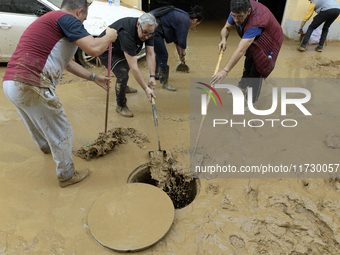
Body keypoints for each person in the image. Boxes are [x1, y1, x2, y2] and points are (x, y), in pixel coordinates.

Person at [2, 0, 118, 188]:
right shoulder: (67, 19)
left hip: (11, 83)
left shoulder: (49, 20)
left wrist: (93, 77)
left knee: (35, 120)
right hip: (33, 82)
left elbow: (68, 62)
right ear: (80, 11)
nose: (81, 24)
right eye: (84, 19)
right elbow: (95, 49)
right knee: (62, 129)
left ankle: (46, 147)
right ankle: (66, 174)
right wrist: (108, 36)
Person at [211, 0, 283, 109]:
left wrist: (224, 71)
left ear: (248, 11)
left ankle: (251, 102)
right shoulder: (236, 11)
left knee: (257, 69)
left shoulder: (256, 22)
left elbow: (240, 50)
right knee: (248, 60)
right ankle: (243, 86)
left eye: (239, 16)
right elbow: (226, 28)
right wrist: (224, 39)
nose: (235, 20)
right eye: (233, 16)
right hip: (253, 39)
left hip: (269, 40)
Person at [98, 13, 157, 118]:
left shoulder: (149, 29)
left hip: (120, 47)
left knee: (126, 66)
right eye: (145, 33)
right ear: (138, 24)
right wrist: (146, 89)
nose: (147, 36)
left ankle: (123, 87)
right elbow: (134, 67)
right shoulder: (127, 33)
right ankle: (120, 105)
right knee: (123, 74)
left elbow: (150, 53)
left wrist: (152, 75)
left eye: (150, 34)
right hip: (107, 50)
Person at [152, 5, 204, 91]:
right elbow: (182, 43)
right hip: (155, 30)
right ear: (195, 20)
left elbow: (177, 41)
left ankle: (157, 74)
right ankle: (164, 83)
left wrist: (180, 56)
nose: (195, 26)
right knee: (164, 55)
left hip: (155, 27)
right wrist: (183, 55)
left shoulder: (183, 16)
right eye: (197, 24)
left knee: (160, 52)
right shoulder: (185, 21)